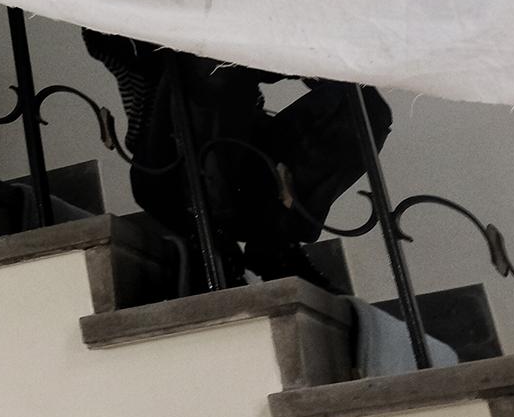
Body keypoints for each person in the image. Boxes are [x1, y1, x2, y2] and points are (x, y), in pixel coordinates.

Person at [82, 30, 392, 291]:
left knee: (366, 107)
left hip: (245, 172)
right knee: (211, 57)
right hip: (171, 175)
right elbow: (104, 39)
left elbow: (286, 57)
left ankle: (275, 245)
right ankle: (211, 241)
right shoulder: (130, 10)